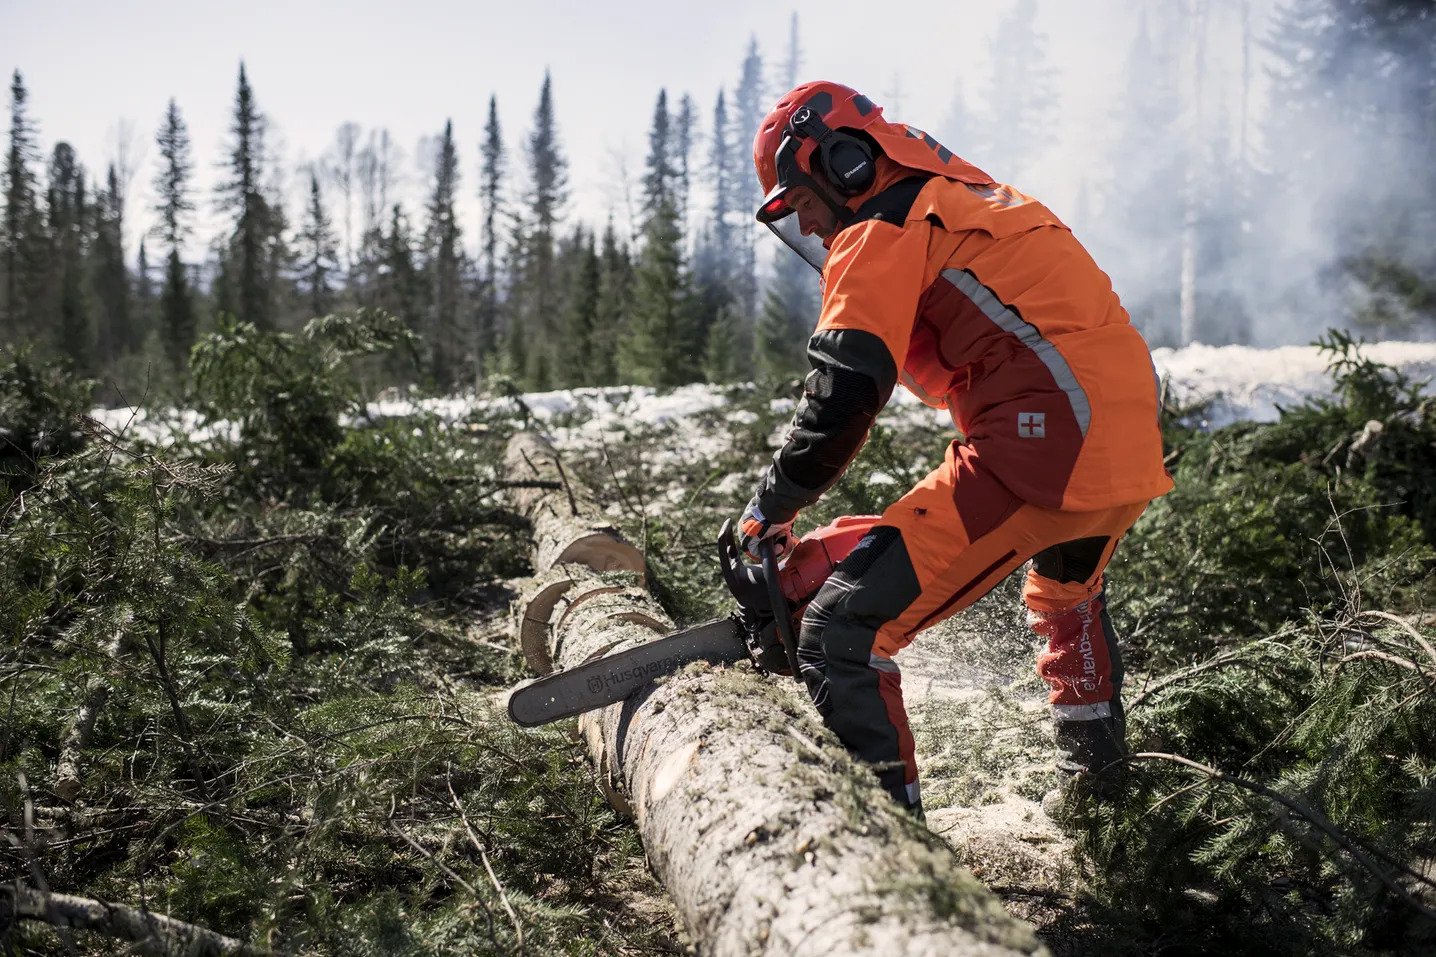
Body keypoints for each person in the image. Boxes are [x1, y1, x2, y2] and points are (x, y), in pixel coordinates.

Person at [735, 81, 1173, 818]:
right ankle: (1107, 812)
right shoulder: (971, 201)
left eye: (803, 200)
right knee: (1067, 599)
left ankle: (894, 870)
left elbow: (846, 388)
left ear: (843, 162)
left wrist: (769, 506)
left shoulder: (886, 224)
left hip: (1049, 441)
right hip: (1121, 432)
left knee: (841, 628)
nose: (808, 227)